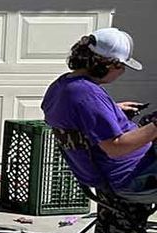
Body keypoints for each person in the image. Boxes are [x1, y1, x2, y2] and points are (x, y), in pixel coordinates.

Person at [42, 27, 157, 197]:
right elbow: (115, 148)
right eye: (122, 66)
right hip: (131, 176)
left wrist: (113, 110)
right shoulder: (89, 95)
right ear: (108, 64)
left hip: (110, 171)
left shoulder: (62, 86)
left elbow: (72, 117)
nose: (123, 72)